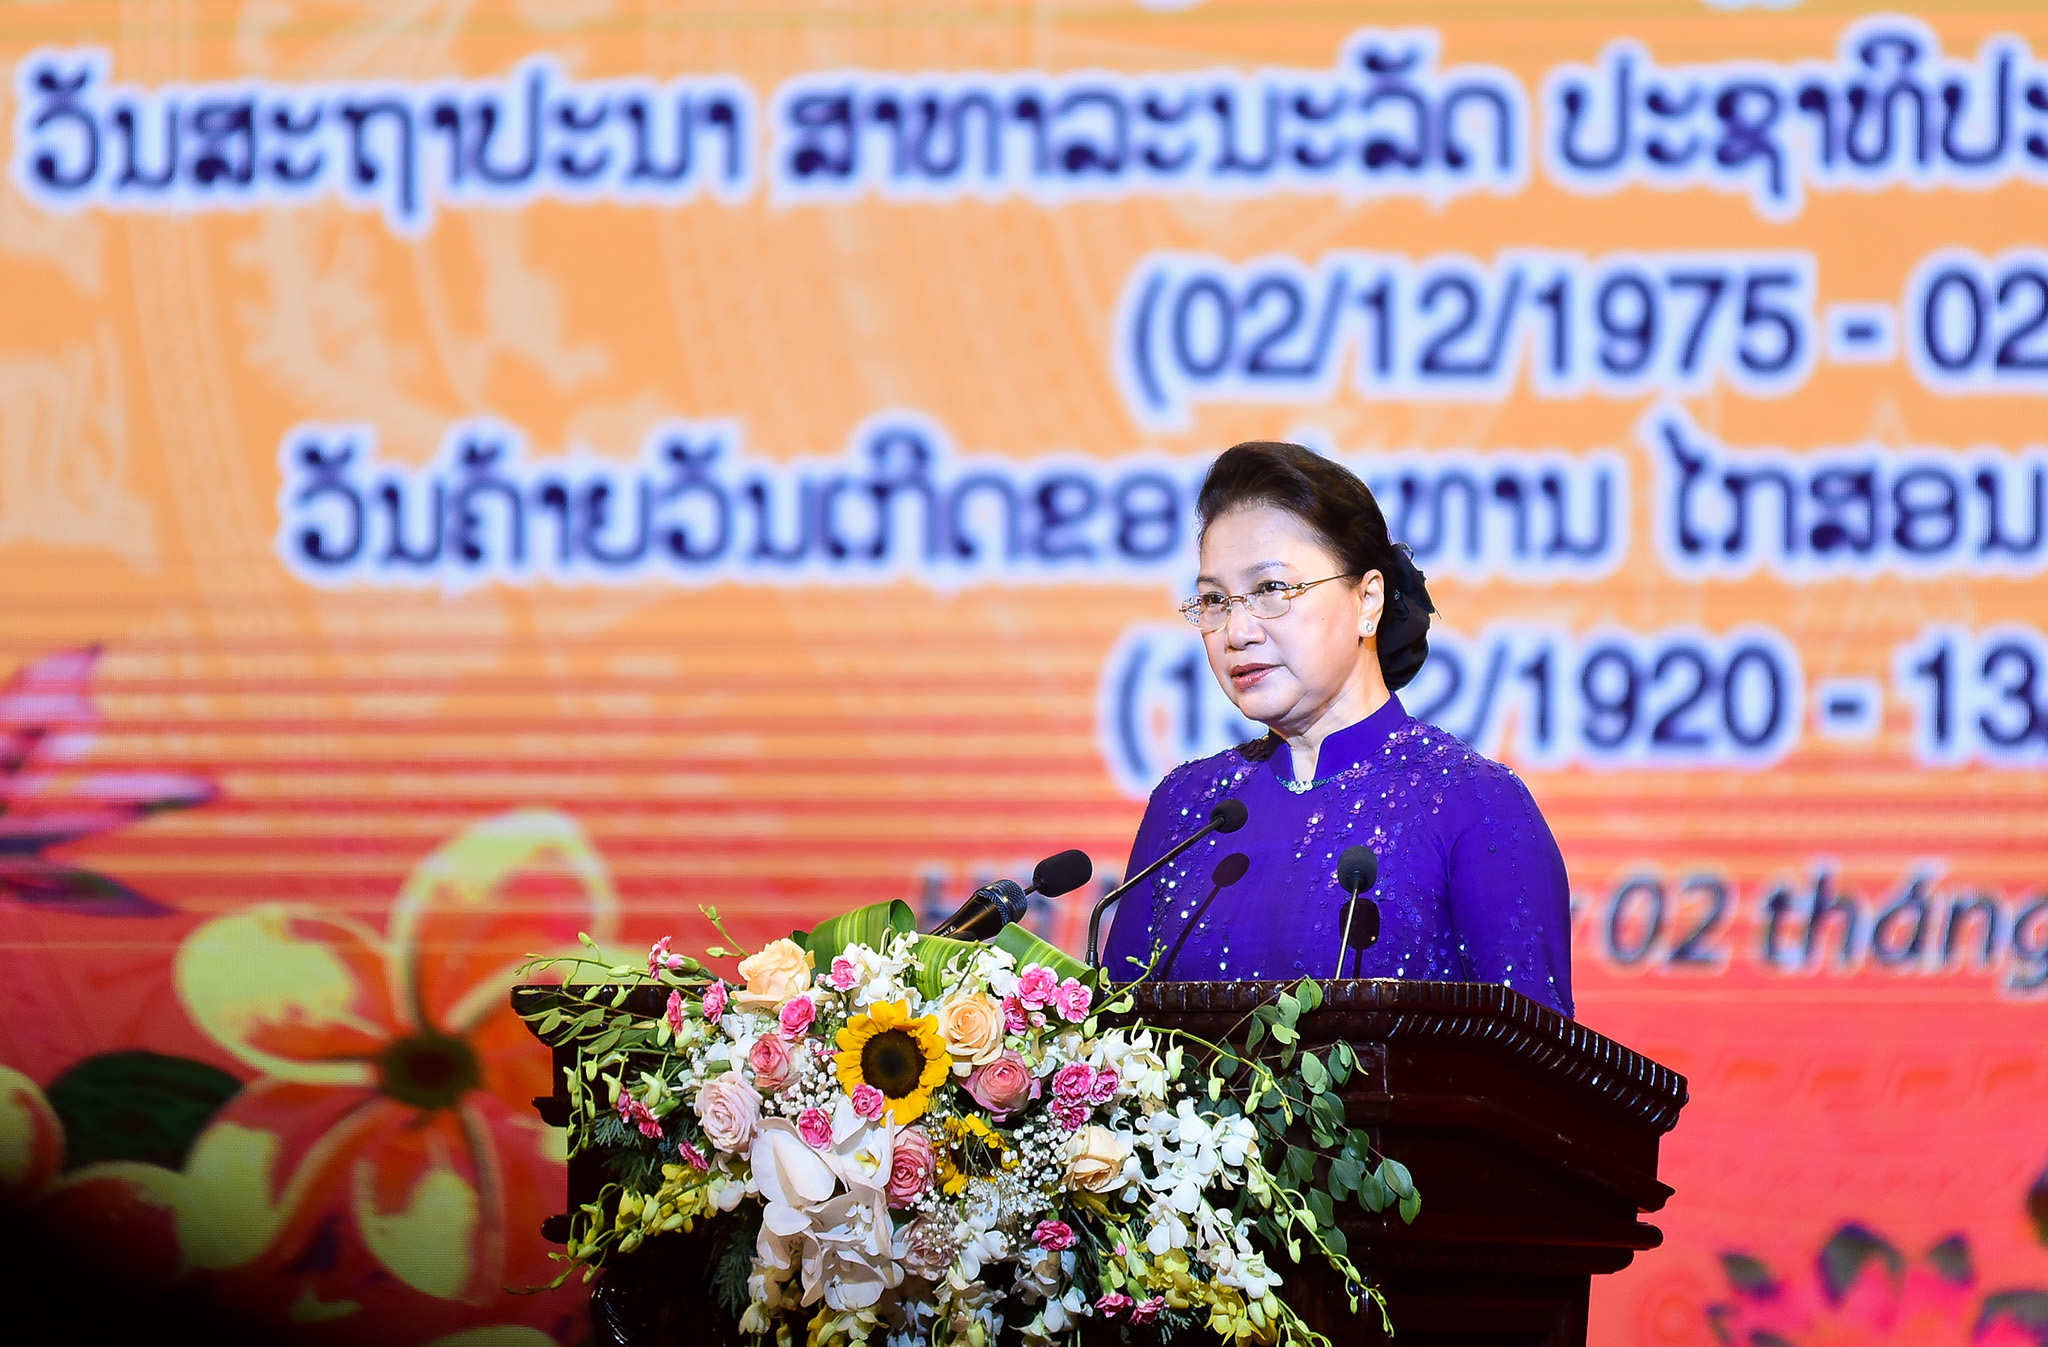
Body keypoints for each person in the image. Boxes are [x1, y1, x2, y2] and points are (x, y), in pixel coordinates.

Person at [1101, 441, 1574, 1016]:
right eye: (1215, 600)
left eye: (1271, 589)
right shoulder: (1187, 809)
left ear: (1367, 599)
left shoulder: (1473, 803)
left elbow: (1533, 1056)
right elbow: (1113, 1042)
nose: (1238, 631)